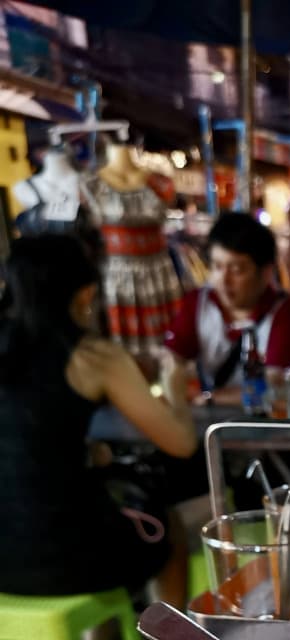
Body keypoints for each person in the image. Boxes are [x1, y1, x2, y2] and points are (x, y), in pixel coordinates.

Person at [0, 234, 197, 601]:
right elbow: (181, 444)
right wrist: (175, 389)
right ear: (86, 293)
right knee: (165, 527)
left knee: (95, 518)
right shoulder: (94, 356)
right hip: (64, 561)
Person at [165, 211, 290, 392]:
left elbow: (275, 390)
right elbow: (172, 360)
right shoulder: (198, 303)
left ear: (266, 273)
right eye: (217, 266)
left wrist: (209, 399)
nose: (223, 280)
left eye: (237, 270)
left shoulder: (288, 314)